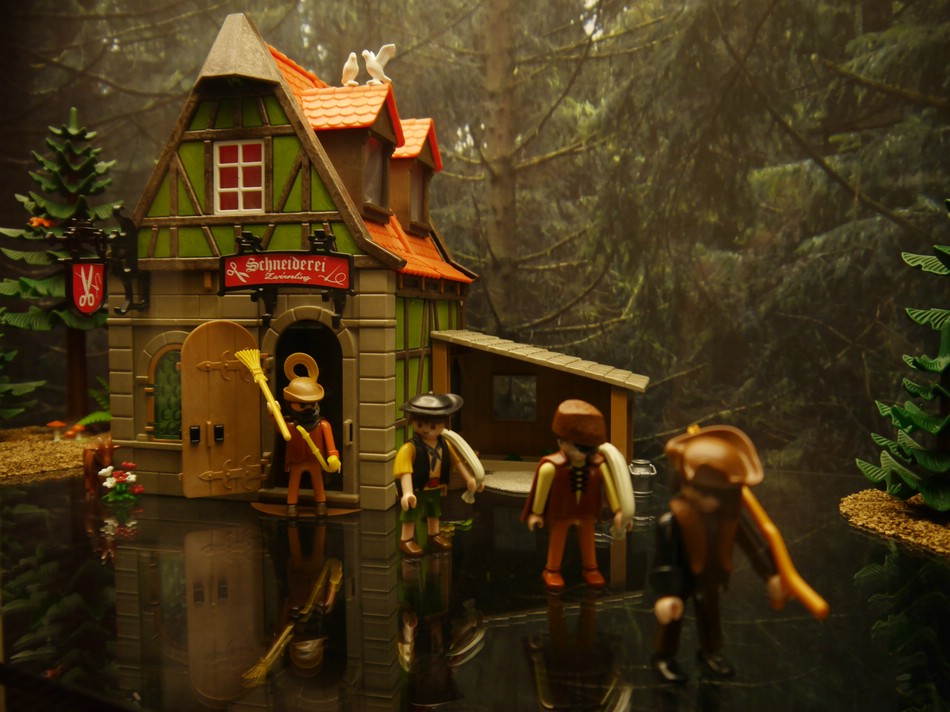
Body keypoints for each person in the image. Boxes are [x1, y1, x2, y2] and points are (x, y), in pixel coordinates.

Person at [650, 424, 786, 683]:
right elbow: (664, 559)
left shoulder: (730, 518)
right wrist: (667, 593)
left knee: (710, 613)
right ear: (684, 485)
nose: (713, 501)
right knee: (672, 618)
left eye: (722, 495)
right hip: (680, 578)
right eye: (704, 492)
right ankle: (663, 656)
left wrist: (771, 575)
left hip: (710, 575)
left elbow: (754, 546)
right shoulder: (672, 521)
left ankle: (710, 653)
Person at [522, 399, 630, 592]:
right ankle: (551, 570)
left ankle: (591, 568)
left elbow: (611, 489)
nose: (582, 454)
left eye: (587, 449)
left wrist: (619, 511)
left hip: (586, 512)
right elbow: (541, 490)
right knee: (557, 539)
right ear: (561, 441)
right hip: (562, 513)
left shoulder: (599, 466)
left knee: (588, 539)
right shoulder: (551, 467)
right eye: (578, 447)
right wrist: (536, 513)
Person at [394, 393, 482, 557]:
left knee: (434, 511)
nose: (426, 429)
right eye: (420, 424)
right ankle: (406, 540)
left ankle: (433, 535)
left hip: (435, 486)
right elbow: (405, 470)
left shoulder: (445, 444)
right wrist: (407, 492)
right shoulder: (410, 448)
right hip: (417, 488)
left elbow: (457, 463)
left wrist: (469, 479)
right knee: (411, 514)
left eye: (433, 426)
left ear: (444, 424)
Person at [278, 353, 340, 517]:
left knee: (318, 482)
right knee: (294, 482)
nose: (308, 408)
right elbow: (280, 428)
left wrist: (333, 457)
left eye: (312, 404)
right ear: (290, 403)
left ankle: (321, 503)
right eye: (302, 404)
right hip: (297, 460)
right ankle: (292, 505)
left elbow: (331, 445)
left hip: (315, 460)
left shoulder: (322, 425)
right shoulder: (290, 426)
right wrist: (273, 413)